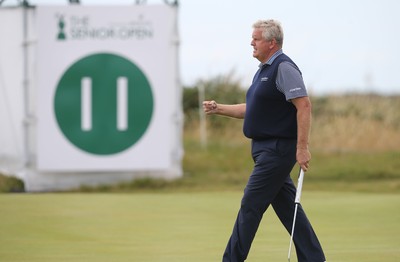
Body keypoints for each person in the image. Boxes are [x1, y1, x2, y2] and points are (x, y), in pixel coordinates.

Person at [203, 19, 326, 262]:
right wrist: (219, 108)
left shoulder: (284, 68)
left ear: (271, 42)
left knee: (250, 205)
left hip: (278, 150)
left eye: (256, 38)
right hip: (264, 150)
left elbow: (304, 106)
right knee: (288, 209)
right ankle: (314, 259)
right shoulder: (264, 70)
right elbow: (253, 110)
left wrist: (302, 148)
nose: (251, 42)